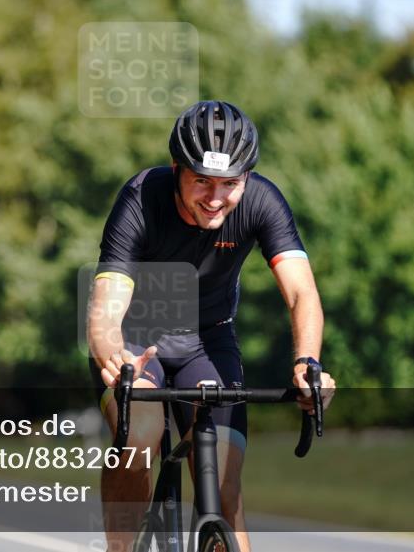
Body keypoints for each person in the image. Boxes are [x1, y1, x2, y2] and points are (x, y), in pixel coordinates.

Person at [87, 100, 337, 552]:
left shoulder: (262, 201)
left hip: (208, 340)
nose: (216, 197)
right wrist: (114, 356)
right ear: (176, 170)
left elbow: (302, 293)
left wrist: (307, 364)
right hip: (136, 340)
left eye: (230, 183)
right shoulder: (141, 197)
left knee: (224, 485)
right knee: (139, 439)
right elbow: (106, 304)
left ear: (247, 178)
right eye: (202, 180)